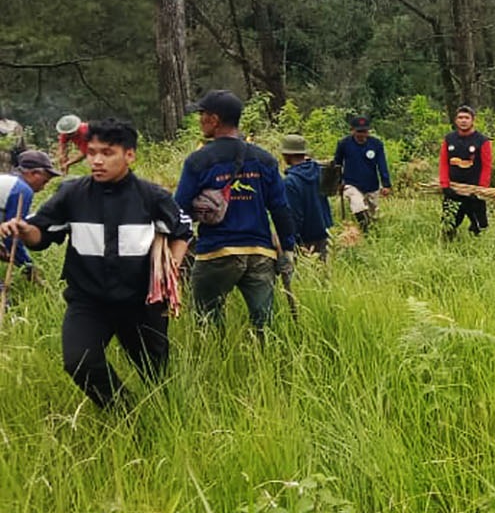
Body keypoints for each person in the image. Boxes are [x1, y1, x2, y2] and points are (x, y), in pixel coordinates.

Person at [0, 119, 193, 409]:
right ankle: (126, 413)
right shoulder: (72, 194)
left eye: (107, 153)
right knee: (80, 362)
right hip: (88, 301)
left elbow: (182, 231)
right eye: (91, 153)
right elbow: (41, 234)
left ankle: (165, 417)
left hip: (141, 303)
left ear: (129, 155)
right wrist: (23, 230)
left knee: (157, 375)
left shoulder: (152, 197)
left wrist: (170, 270)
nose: (97, 161)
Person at [174, 90, 297, 337]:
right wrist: (288, 248)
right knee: (265, 326)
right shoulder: (264, 159)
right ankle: (267, 358)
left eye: (202, 114)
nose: (199, 120)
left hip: (216, 252)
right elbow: (280, 208)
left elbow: (179, 208)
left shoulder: (198, 161)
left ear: (214, 120)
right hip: (260, 253)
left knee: (207, 323)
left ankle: (216, 356)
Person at [0, 151, 64, 280]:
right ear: (35, 173)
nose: (43, 188)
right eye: (44, 182)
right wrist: (28, 267)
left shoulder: (6, 181)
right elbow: (12, 236)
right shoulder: (22, 189)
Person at [438, 106, 492, 240]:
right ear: (455, 120)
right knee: (448, 225)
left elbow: (487, 166)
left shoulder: (482, 141)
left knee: (480, 227)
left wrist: (480, 189)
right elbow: (443, 163)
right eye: (460, 118)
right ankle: (448, 246)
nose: (463, 121)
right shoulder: (449, 139)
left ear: (473, 120)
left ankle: (479, 246)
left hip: (473, 191)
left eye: (466, 118)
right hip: (453, 189)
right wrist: (445, 185)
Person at [332, 115, 392, 232]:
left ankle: (371, 234)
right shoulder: (344, 144)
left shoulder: (376, 144)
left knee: (372, 215)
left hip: (371, 185)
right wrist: (338, 181)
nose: (362, 135)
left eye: (365, 131)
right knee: (358, 206)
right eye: (359, 131)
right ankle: (365, 231)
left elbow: (382, 165)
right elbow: (337, 163)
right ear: (352, 130)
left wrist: (386, 184)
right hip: (351, 183)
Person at [280, 134, 335, 262]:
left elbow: (295, 215)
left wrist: (292, 240)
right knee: (324, 270)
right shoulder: (319, 171)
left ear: (286, 155)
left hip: (305, 239)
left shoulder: (290, 182)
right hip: (324, 231)